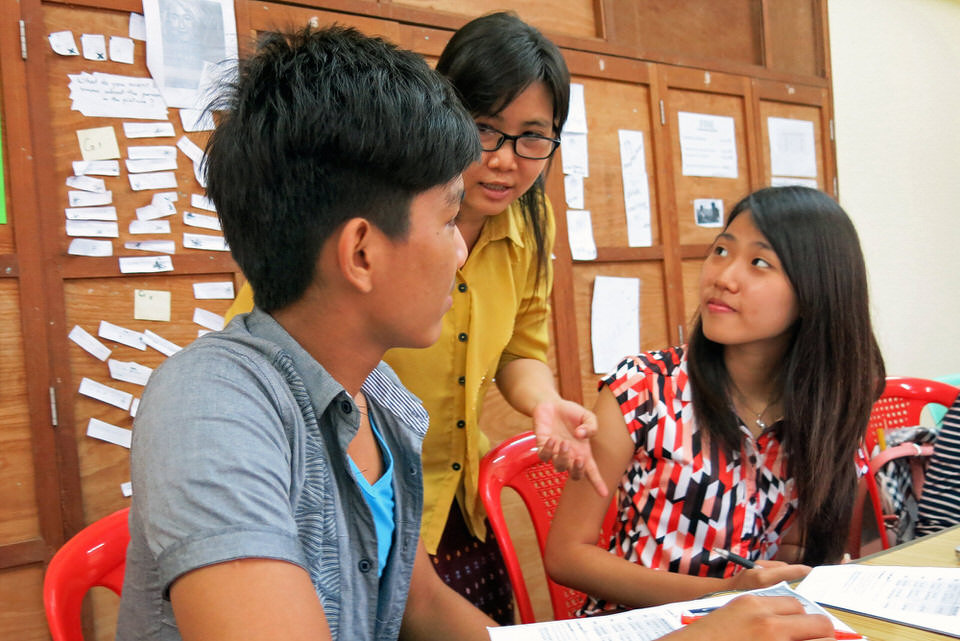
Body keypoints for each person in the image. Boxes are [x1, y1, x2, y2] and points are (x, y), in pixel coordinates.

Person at [117, 23, 838, 641]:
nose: (463, 251)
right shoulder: (213, 412)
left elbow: (422, 603)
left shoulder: (383, 400)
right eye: (446, 217)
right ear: (362, 251)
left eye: (530, 139)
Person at [223, 12, 604, 623]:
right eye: (485, 130)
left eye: (534, 137)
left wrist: (543, 402)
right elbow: (273, 351)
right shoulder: (226, 409)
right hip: (350, 490)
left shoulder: (532, 224)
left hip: (449, 495)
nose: (507, 161)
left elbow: (520, 348)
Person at [545, 186, 887, 616]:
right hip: (643, 626)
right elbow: (566, 554)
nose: (722, 276)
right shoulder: (643, 388)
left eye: (759, 263)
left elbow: (795, 546)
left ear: (815, 290)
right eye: (721, 250)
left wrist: (800, 577)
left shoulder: (829, 408)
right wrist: (724, 593)